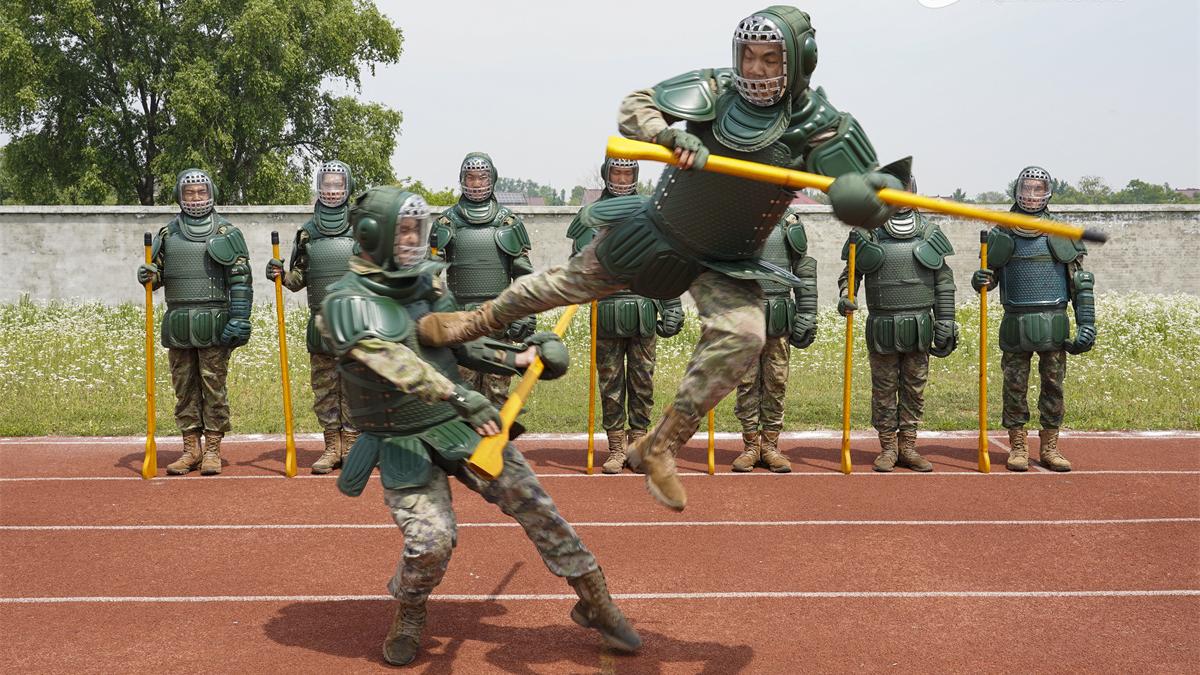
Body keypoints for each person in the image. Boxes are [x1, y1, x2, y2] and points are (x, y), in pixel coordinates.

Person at [416, 6, 905, 511]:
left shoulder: (819, 126)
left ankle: (661, 446)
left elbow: (871, 190)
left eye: (769, 59)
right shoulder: (716, 89)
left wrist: (863, 199)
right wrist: (666, 134)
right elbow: (637, 105)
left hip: (726, 260)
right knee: (560, 285)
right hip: (659, 230)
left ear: (800, 61)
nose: (755, 68)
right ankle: (471, 323)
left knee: (745, 335)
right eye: (748, 56)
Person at [319, 186, 641, 666]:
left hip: (458, 425)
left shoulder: (426, 284)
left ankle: (595, 599)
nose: (413, 240)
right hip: (403, 440)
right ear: (372, 234)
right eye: (403, 231)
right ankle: (410, 609)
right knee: (430, 543)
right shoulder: (343, 303)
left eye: (417, 230)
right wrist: (461, 396)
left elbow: (459, 339)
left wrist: (521, 358)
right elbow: (394, 361)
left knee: (537, 506)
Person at [972, 166, 1095, 472]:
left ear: (1048, 193)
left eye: (1037, 189)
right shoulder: (1002, 232)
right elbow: (990, 279)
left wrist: (1087, 324)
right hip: (1016, 323)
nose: (1031, 195)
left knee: (1053, 386)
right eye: (1026, 189)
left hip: (1054, 323)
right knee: (1014, 387)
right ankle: (1017, 446)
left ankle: (1050, 447)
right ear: (1017, 191)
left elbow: (1080, 283)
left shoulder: (1060, 232)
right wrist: (981, 279)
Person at [567, 158, 684, 473]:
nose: (621, 179)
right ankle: (616, 449)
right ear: (607, 175)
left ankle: (638, 445)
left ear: (635, 175)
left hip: (643, 309)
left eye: (627, 173)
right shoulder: (591, 215)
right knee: (611, 384)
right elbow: (577, 264)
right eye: (616, 173)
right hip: (606, 310)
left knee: (643, 381)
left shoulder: (651, 213)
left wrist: (672, 305)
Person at [837, 172, 958, 472]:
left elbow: (943, 282)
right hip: (883, 327)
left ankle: (909, 447)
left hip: (919, 327)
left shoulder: (929, 232)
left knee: (914, 389)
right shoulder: (867, 233)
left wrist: (946, 321)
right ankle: (888, 448)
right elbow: (850, 274)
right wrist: (846, 295)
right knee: (884, 389)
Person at [137, 169, 252, 476]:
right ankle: (191, 449)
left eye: (201, 192)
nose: (196, 197)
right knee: (184, 389)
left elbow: (241, 280)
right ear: (180, 196)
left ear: (211, 193)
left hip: (214, 323)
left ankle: (213, 450)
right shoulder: (167, 235)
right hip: (178, 324)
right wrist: (148, 275)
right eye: (190, 192)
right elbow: (157, 277)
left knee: (213, 388)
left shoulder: (226, 233)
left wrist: (240, 318)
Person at [265, 160, 359, 473]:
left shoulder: (362, 227)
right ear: (319, 187)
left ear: (347, 187)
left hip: (356, 321)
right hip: (321, 323)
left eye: (337, 185)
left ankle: (353, 446)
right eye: (327, 185)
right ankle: (332, 447)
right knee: (325, 388)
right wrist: (281, 275)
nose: (332, 191)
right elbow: (298, 279)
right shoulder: (308, 232)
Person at [429, 152, 536, 406]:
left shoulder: (507, 222)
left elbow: (524, 275)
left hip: (498, 323)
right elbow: (430, 274)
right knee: (462, 397)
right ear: (462, 180)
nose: (476, 183)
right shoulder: (446, 222)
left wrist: (525, 314)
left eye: (482, 178)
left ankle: (496, 435)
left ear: (492, 179)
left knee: (497, 396)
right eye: (471, 178)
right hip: (460, 324)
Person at [732, 205, 818, 473]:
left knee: (776, 381)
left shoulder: (789, 222)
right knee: (746, 383)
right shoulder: (734, 220)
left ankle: (770, 446)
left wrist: (807, 313)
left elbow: (803, 269)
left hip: (779, 317)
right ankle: (750, 446)